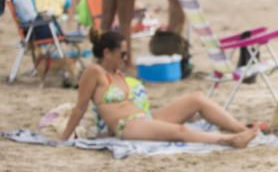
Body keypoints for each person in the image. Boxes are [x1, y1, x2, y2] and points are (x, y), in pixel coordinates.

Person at [60, 30, 257, 147]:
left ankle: (244, 130)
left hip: (144, 117)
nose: (126, 58)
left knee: (196, 97)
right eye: (122, 54)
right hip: (126, 126)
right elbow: (80, 108)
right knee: (179, 130)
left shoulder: (119, 75)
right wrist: (63, 139)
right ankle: (229, 140)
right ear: (107, 53)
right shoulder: (95, 72)